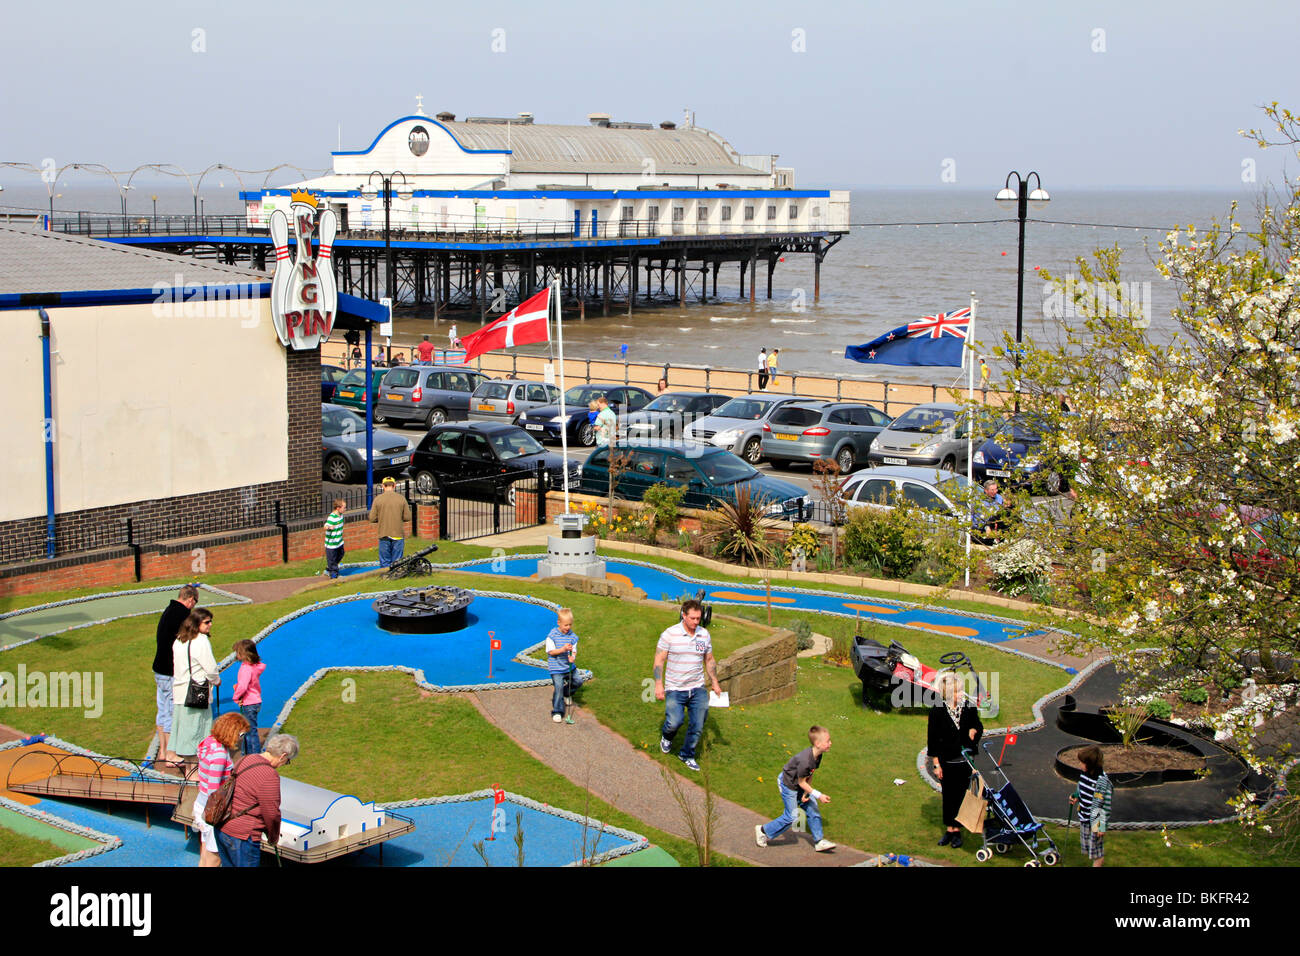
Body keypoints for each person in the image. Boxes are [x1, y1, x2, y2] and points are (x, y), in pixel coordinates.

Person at [653, 598, 723, 772]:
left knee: (698, 724)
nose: (696, 622)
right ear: (683, 615)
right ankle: (667, 737)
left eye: (698, 618)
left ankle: (686, 754)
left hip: (697, 687)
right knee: (674, 722)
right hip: (675, 688)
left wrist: (714, 682)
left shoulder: (704, 635)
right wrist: (658, 684)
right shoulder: (669, 634)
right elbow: (659, 660)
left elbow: (709, 659)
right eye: (692, 618)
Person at [216, 733, 299, 868]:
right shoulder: (270, 776)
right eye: (287, 761)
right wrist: (273, 837)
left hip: (222, 827)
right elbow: (272, 813)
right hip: (243, 836)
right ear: (283, 756)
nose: (284, 764)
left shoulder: (246, 759)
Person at [755, 725, 837, 852]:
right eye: (828, 741)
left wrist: (806, 793)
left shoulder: (818, 755)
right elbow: (801, 781)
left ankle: (819, 841)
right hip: (788, 784)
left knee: (812, 806)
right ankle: (763, 831)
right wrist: (818, 795)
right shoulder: (805, 760)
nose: (830, 743)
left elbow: (811, 773)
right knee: (792, 816)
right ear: (818, 743)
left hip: (800, 784)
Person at [927, 670, 983, 848]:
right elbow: (932, 739)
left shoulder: (968, 708)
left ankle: (957, 830)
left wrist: (974, 731)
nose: (961, 694)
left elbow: (978, 726)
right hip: (946, 760)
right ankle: (949, 829)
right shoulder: (937, 712)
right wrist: (936, 764)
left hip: (965, 760)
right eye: (957, 692)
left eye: (961, 691)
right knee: (948, 796)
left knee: (960, 795)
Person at [193, 712, 249, 867]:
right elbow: (214, 791)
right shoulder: (219, 755)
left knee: (204, 854)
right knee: (214, 859)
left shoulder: (208, 742)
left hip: (202, 805)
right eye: (241, 734)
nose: (241, 738)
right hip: (213, 812)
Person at [153, 584, 197, 769]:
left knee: (162, 709)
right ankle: (171, 754)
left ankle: (162, 751)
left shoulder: (168, 610)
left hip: (159, 669)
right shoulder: (183, 615)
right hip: (171, 670)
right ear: (190, 600)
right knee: (171, 711)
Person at [171, 607, 220, 767]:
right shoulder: (201, 641)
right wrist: (216, 680)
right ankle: (196, 774)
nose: (210, 625)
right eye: (207, 622)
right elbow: (211, 668)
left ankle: (190, 772)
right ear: (197, 623)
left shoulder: (179, 640)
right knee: (198, 734)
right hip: (196, 692)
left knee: (185, 733)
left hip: (180, 692)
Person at [1070, 746, 1113, 867]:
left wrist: (1101, 826)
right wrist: (1076, 796)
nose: (1079, 765)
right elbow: (1081, 788)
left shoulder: (1102, 782)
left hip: (1095, 822)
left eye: (1082, 763)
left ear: (1090, 764)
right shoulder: (1084, 774)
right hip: (1084, 818)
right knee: (1089, 848)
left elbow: (1106, 805)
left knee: (1097, 853)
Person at [545, 608, 585, 724]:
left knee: (578, 681)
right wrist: (563, 649)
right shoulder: (552, 636)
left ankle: (567, 693)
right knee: (558, 688)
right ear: (559, 623)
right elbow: (551, 652)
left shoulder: (572, 636)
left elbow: (574, 650)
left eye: (570, 625)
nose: (568, 627)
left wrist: (573, 656)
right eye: (565, 625)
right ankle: (557, 711)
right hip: (556, 668)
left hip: (568, 666)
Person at [231, 640, 266, 755]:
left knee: (250, 731)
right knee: (249, 729)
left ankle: (254, 755)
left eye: (238, 652)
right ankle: (246, 752)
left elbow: (243, 686)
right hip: (255, 701)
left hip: (249, 703)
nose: (236, 655)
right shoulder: (255, 666)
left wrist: (236, 696)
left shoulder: (246, 668)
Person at [369, 476, 411, 568]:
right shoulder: (401, 498)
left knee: (385, 562)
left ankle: (385, 578)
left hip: (383, 533)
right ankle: (396, 577)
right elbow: (408, 517)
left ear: (383, 486)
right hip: (398, 533)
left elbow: (372, 518)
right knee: (397, 562)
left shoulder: (378, 499)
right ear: (394, 485)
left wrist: (381, 518)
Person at [324, 498, 346, 579]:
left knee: (341, 554)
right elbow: (325, 526)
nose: (345, 509)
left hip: (339, 542)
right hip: (331, 544)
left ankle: (329, 568)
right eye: (344, 508)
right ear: (338, 508)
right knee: (332, 559)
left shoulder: (341, 515)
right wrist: (330, 527)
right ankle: (334, 576)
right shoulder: (331, 517)